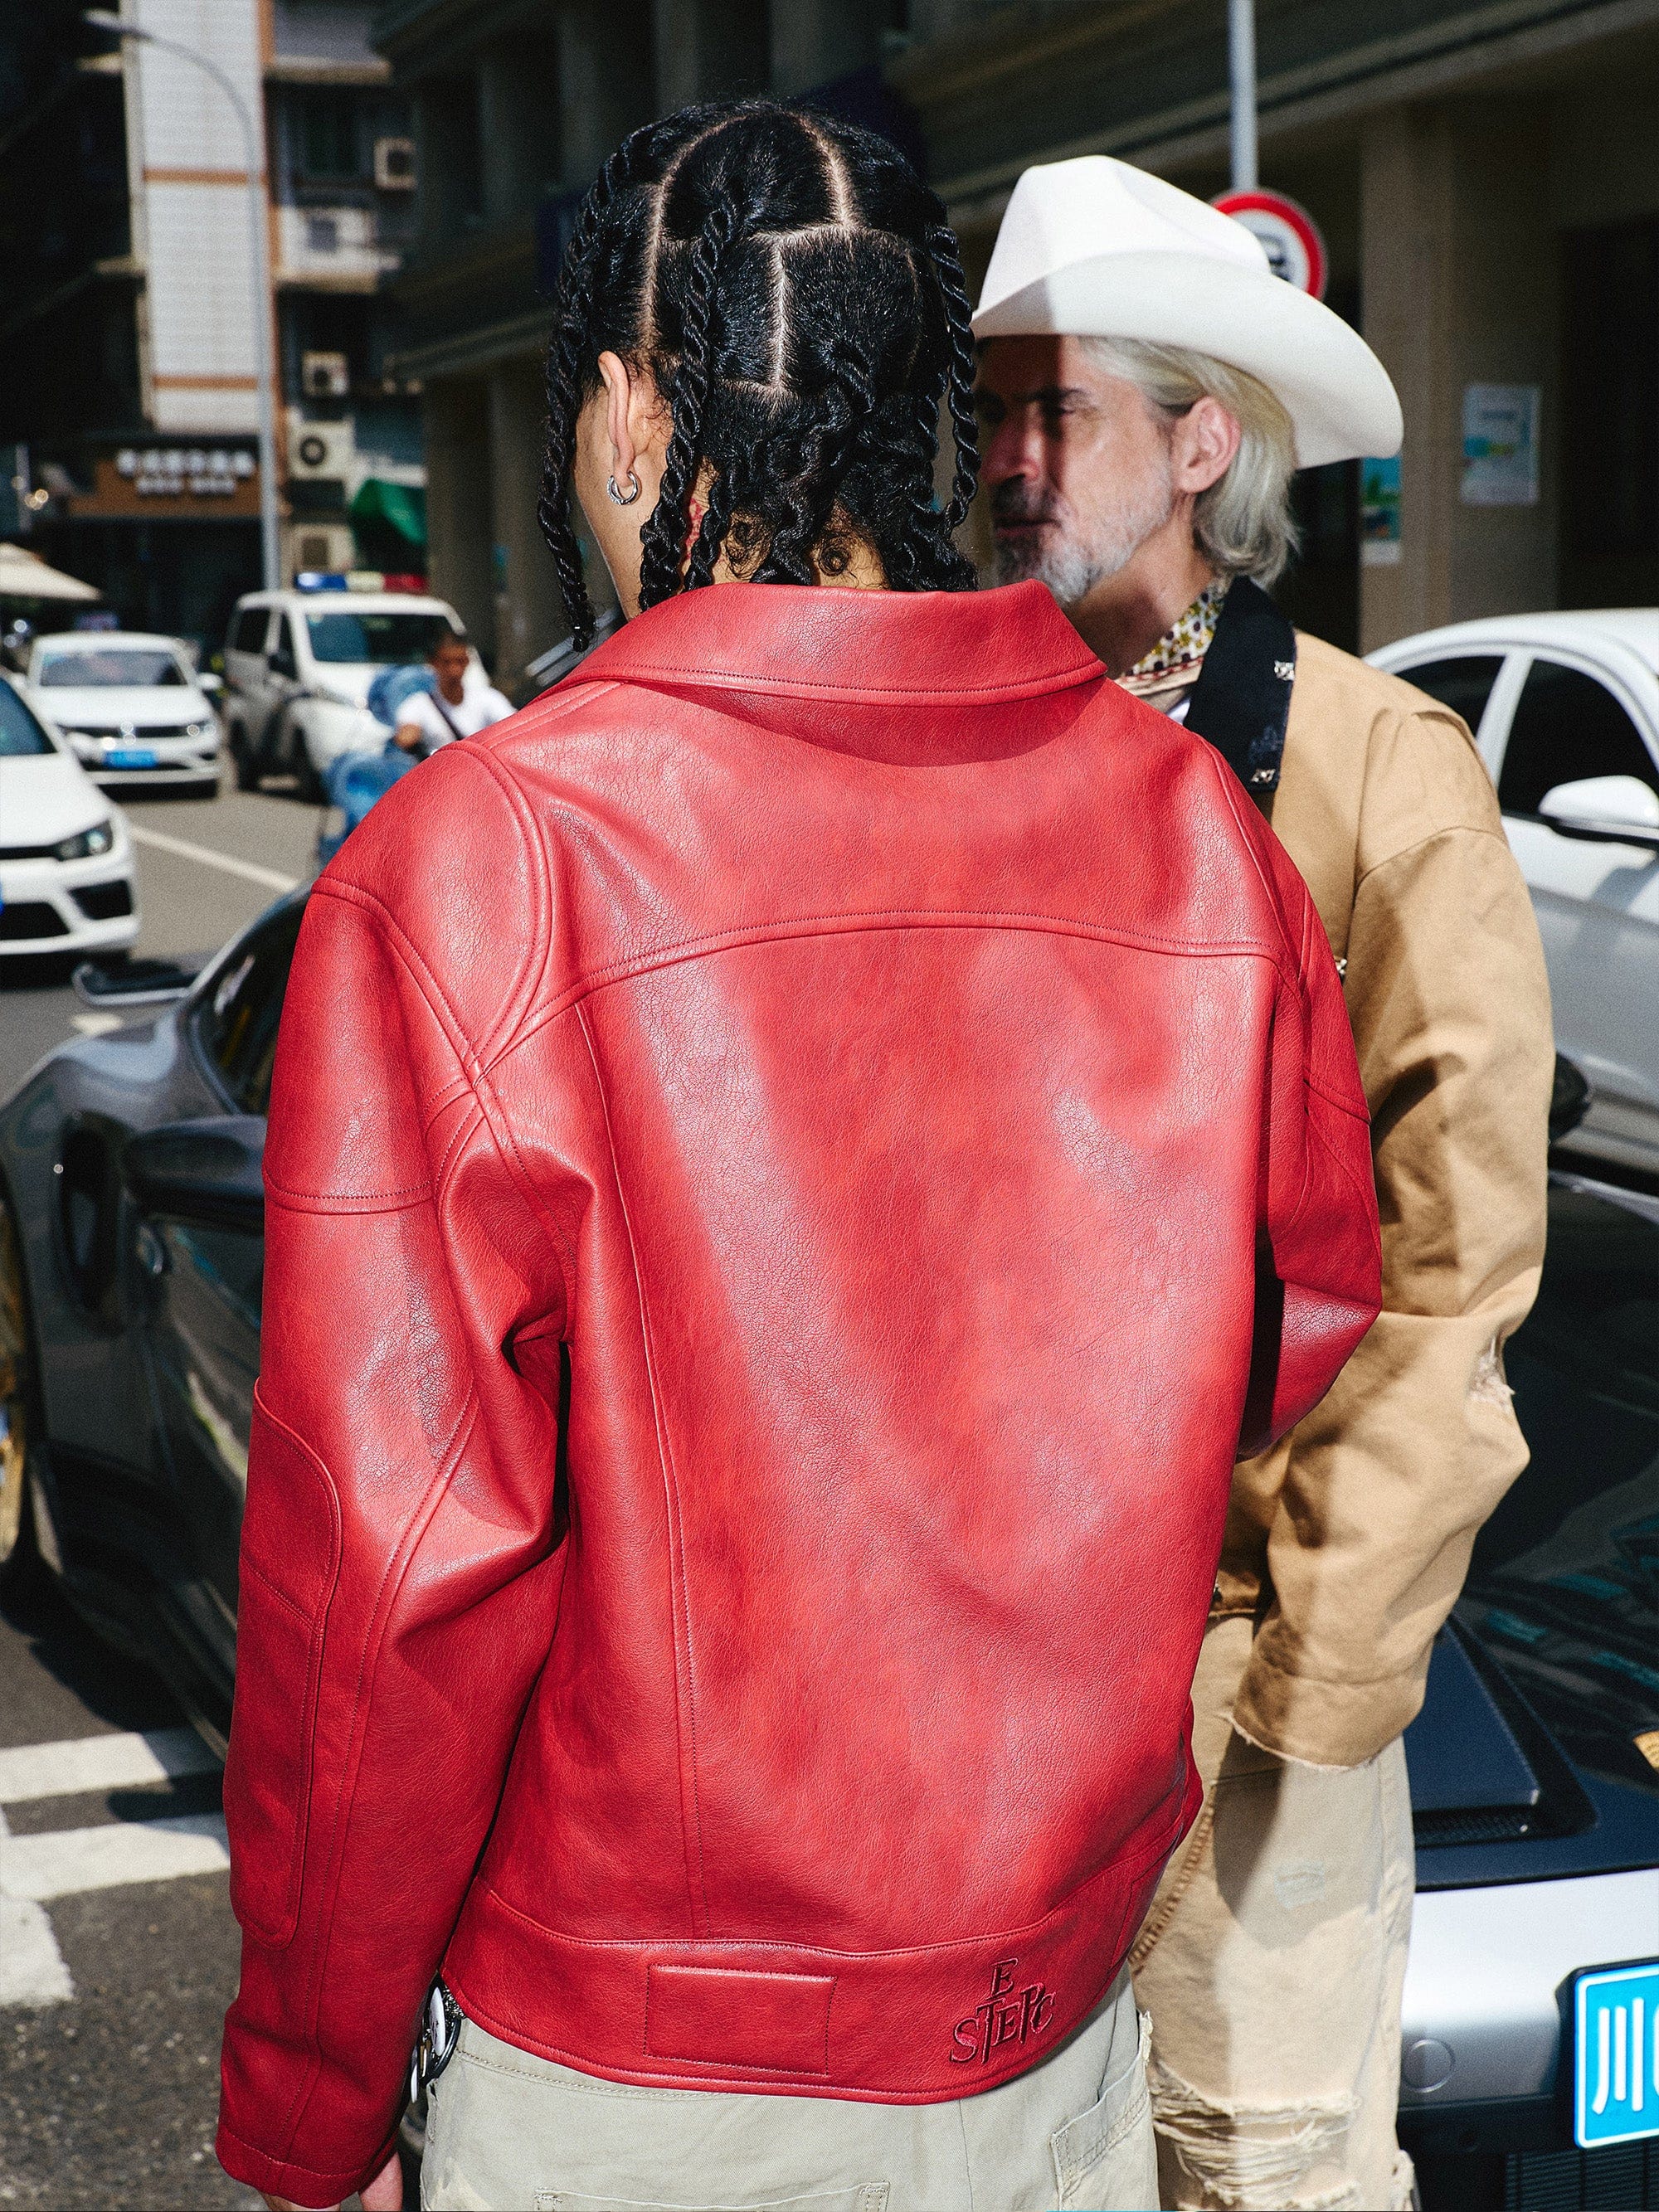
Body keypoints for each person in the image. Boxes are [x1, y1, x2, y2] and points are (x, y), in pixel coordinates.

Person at [216, 105, 1381, 2212]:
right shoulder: (1199, 837)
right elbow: (1298, 1332)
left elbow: (379, 1595)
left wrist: (312, 2101)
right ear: (933, 423)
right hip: (1039, 2051)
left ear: (633, 414)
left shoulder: (487, 862)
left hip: (628, 2078)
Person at [974, 155, 1554, 2212]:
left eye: (1061, 413)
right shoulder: (946, 749)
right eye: (996, 415)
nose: (1011, 460)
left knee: (1256, 2172)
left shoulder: (1374, 766)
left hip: (1245, 1694)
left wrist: (1302, 1703)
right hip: (971, 1701)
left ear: (1198, 441)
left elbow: (1453, 1278)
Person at [391, 626, 512, 753]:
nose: (454, 670)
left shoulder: (490, 699)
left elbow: (513, 728)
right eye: (446, 662)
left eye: (460, 661)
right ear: (432, 662)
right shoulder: (417, 704)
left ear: (467, 661)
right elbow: (405, 737)